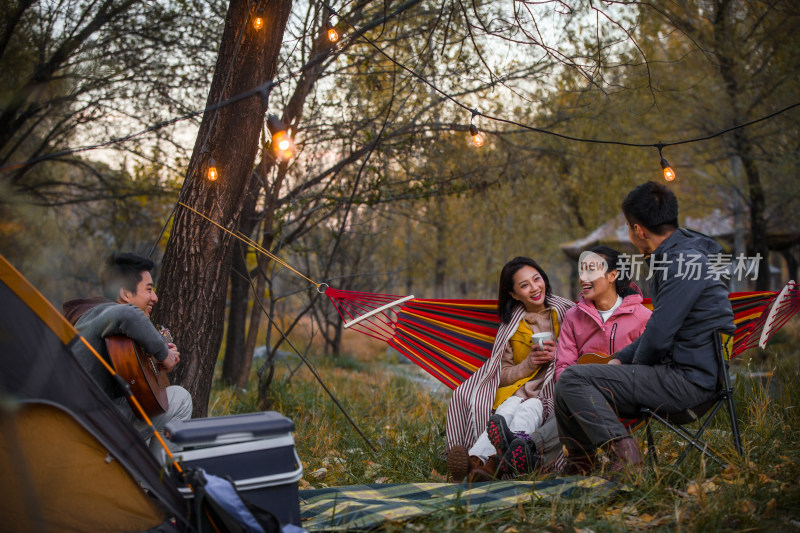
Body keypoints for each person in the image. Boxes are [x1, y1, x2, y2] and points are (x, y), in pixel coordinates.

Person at [555, 181, 735, 475]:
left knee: (573, 380)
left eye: (627, 225)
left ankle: (626, 459)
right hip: (689, 372)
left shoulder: (681, 263)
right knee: (570, 381)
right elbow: (657, 329)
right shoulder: (683, 255)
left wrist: (628, 371)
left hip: (690, 383)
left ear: (638, 230)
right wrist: (621, 361)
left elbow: (658, 336)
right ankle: (581, 464)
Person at [446, 257, 574, 482]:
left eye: (537, 279)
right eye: (524, 285)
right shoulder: (512, 325)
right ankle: (476, 463)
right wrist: (529, 364)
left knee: (526, 413)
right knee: (504, 414)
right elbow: (501, 374)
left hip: (547, 395)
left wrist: (559, 357)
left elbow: (582, 355)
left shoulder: (568, 313)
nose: (535, 288)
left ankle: (490, 463)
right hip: (517, 392)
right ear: (514, 294)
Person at [63, 252, 192, 453]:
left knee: (153, 407)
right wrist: (163, 354)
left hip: (90, 422)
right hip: (93, 428)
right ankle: (159, 481)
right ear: (125, 294)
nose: (155, 298)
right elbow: (129, 314)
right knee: (181, 399)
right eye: (149, 289)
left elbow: (129, 376)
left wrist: (153, 361)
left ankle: (140, 479)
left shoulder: (100, 321)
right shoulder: (105, 312)